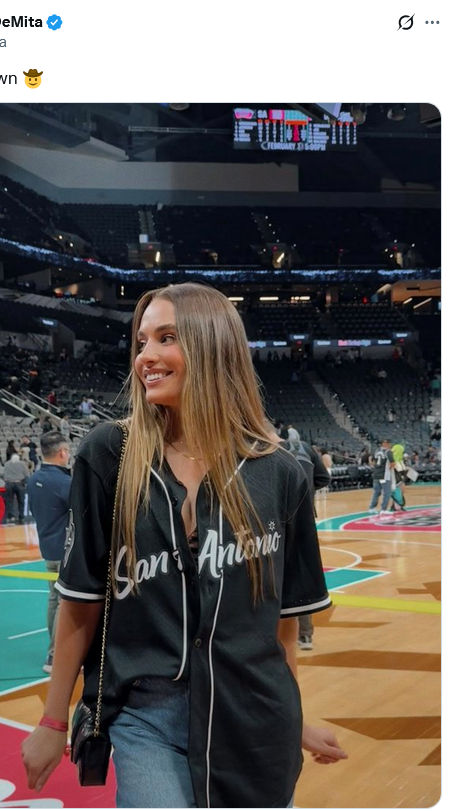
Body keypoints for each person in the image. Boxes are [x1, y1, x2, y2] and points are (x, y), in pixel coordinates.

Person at [21, 283, 347, 808]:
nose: (145, 357)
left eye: (166, 338)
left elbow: (280, 627)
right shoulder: (109, 455)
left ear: (212, 345)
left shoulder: (281, 473)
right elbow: (80, 603)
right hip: (147, 716)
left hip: (254, 716)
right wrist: (52, 721)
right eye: (142, 342)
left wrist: (294, 718)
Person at [26, 432, 72, 674]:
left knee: (54, 599)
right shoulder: (64, 482)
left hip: (47, 548)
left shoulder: (33, 480)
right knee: (64, 602)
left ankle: (54, 653)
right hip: (65, 550)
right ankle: (55, 656)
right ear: (62, 452)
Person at [281, 431, 331, 651]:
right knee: (301, 574)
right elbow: (324, 478)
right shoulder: (306, 448)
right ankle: (305, 635)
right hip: (305, 518)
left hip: (276, 519)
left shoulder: (268, 450)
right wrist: (307, 492)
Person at [368, 439, 396, 515]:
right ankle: (383, 509)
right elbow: (393, 463)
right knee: (387, 492)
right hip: (385, 475)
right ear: (388, 444)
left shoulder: (377, 451)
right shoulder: (388, 452)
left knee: (376, 492)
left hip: (376, 474)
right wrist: (390, 469)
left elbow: (372, 461)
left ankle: (372, 508)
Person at [3, 453, 29, 523]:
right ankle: (21, 517)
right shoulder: (23, 464)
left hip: (9, 483)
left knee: (9, 501)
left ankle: (11, 516)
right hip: (19, 483)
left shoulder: (7, 464)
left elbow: (5, 475)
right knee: (21, 501)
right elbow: (27, 475)